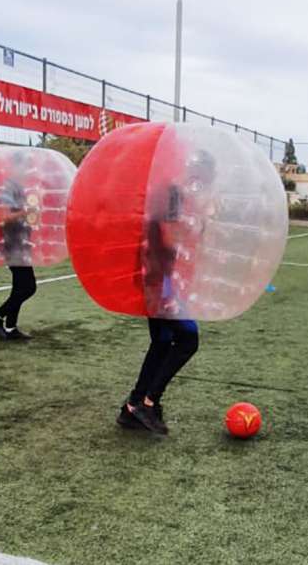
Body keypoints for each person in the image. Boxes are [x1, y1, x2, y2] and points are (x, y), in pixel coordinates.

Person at [117, 150, 217, 435]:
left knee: (162, 342)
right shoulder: (173, 192)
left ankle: (132, 408)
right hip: (160, 278)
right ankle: (148, 403)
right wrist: (199, 217)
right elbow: (170, 234)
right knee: (188, 339)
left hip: (159, 275)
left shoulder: (177, 192)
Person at [0, 175, 37, 341]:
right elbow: (4, 217)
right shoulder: (6, 191)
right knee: (29, 287)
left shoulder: (19, 192)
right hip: (13, 246)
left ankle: (10, 327)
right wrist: (25, 211)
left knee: (19, 288)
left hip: (22, 245)